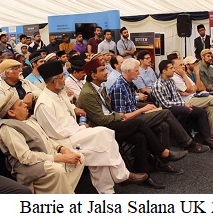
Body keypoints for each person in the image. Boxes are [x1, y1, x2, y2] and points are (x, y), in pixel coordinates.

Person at [34, 60, 148, 194]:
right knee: (105, 133)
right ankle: (122, 175)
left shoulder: (60, 93)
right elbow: (56, 133)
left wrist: (75, 109)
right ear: (53, 81)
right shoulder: (43, 104)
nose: (64, 80)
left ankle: (107, 191)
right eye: (62, 77)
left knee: (99, 150)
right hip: (64, 141)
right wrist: (81, 127)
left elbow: (67, 108)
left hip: (76, 132)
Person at [78, 59, 188, 188]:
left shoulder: (99, 87)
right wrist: (120, 116)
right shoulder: (87, 93)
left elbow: (109, 111)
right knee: (140, 123)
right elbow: (100, 120)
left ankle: (145, 175)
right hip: (103, 129)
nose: (106, 72)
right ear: (93, 75)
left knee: (141, 137)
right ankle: (164, 152)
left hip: (113, 122)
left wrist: (122, 115)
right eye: (102, 70)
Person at [109, 58, 210, 153]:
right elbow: (122, 117)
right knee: (166, 112)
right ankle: (188, 143)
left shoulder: (129, 84)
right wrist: (143, 109)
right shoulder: (119, 87)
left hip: (136, 115)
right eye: (136, 71)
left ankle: (164, 159)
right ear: (128, 71)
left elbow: (130, 105)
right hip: (130, 122)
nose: (139, 73)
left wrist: (144, 108)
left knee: (164, 125)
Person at [0, 91, 85, 193]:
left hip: (48, 156)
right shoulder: (8, 128)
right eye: (20, 104)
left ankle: (61, 192)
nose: (25, 105)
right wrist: (59, 157)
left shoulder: (29, 119)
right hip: (29, 166)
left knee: (79, 158)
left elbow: (46, 138)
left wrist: (62, 149)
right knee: (57, 170)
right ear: (11, 113)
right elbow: (26, 157)